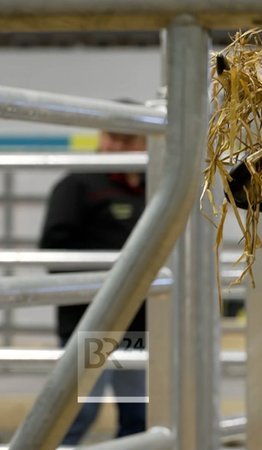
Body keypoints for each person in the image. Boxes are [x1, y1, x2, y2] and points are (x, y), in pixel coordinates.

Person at [39, 101, 148, 444]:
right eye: (112, 138)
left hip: (136, 320)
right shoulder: (79, 185)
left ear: (146, 142)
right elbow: (54, 249)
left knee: (137, 415)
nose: (117, 147)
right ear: (101, 136)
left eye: (128, 140)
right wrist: (116, 275)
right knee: (79, 413)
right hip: (93, 322)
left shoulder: (157, 187)